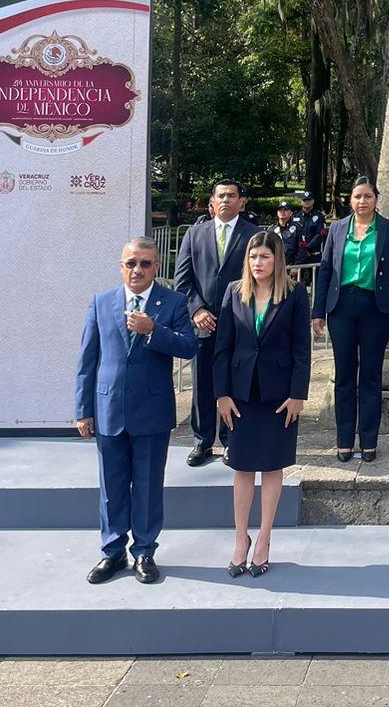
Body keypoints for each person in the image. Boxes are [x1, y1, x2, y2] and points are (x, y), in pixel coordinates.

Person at [74, 237, 198, 586]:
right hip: (109, 408)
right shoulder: (101, 303)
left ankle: (144, 551)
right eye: (131, 263)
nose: (138, 270)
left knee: (146, 486)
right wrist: (83, 409)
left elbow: (189, 347)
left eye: (145, 263)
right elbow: (88, 360)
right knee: (111, 486)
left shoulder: (172, 302)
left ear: (157, 266)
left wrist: (154, 331)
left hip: (151, 410)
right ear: (121, 265)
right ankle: (112, 552)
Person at [213, 230, 310, 577]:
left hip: (279, 396)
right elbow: (222, 347)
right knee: (242, 468)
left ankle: (265, 539)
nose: (258, 263)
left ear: (277, 259)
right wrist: (221, 394)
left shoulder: (296, 294)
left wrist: (298, 394)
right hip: (240, 396)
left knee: (272, 467)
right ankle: (241, 539)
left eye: (265, 257)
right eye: (253, 257)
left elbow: (302, 347)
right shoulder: (232, 292)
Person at [313, 177, 389, 462]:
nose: (362, 201)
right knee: (344, 375)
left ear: (376, 199)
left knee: (370, 375)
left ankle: (368, 441)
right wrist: (318, 311)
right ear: (349, 200)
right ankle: (344, 441)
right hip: (341, 307)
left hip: (375, 308)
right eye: (357, 197)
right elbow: (326, 270)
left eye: (367, 196)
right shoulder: (338, 229)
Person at [172, 179, 253, 466]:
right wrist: (196, 311)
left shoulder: (254, 235)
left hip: (239, 324)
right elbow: (182, 282)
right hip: (203, 324)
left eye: (232, 195)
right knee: (203, 384)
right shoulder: (195, 235)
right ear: (213, 200)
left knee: (235, 385)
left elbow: (260, 279)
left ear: (241, 202)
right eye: (221, 195)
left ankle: (232, 441)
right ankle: (202, 441)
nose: (226, 200)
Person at [291, 191, 327, 267]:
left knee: (314, 278)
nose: (306, 202)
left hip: (314, 254)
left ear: (313, 201)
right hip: (298, 255)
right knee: (297, 278)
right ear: (301, 202)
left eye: (309, 200)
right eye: (304, 200)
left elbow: (320, 234)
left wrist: (308, 246)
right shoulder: (295, 217)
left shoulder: (319, 217)